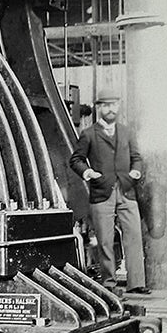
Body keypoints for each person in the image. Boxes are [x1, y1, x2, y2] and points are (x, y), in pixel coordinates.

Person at [69, 96, 151, 295]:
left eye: (114, 105)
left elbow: (136, 158)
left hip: (126, 191)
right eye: (105, 105)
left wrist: (136, 171)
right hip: (101, 192)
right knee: (105, 240)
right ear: (98, 108)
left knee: (134, 237)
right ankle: (109, 284)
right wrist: (89, 173)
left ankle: (136, 283)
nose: (110, 109)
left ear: (118, 106)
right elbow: (76, 159)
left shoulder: (127, 132)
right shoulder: (88, 135)